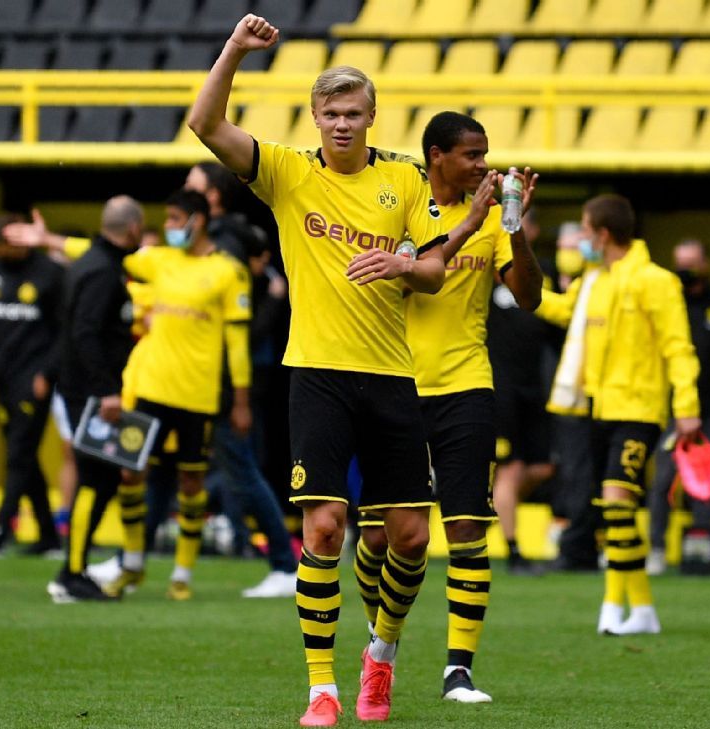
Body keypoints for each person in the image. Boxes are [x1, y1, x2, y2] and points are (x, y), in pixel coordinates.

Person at [188, 15, 487, 725]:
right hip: (316, 374)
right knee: (324, 529)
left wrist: (402, 264)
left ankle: (380, 652)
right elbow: (205, 124)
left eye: (353, 112)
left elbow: (435, 271)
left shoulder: (404, 178)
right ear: (315, 117)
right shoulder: (287, 171)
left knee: (411, 538)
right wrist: (234, 50)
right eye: (331, 113)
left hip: (391, 376)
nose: (342, 123)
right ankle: (321, 688)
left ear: (371, 116)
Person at [354, 112, 541, 705]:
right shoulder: (403, 207)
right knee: (379, 537)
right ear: (437, 155)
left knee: (465, 529)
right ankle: (380, 643)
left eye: (485, 154)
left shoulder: (493, 222)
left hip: (466, 387)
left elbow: (529, 296)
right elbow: (407, 281)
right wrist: (470, 224)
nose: (483, 165)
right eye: (472, 155)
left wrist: (514, 228)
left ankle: (459, 670)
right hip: (396, 384)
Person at [537, 194, 700, 635]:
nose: (581, 240)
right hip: (598, 408)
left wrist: (687, 407)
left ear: (603, 234)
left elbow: (679, 348)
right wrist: (519, 286)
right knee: (613, 511)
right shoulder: (595, 281)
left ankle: (614, 605)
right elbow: (564, 311)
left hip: (639, 411)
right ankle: (640, 610)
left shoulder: (656, 281)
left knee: (615, 502)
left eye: (585, 231)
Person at [100, 189, 252, 601]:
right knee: (129, 472)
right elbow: (103, 253)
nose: (168, 226)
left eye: (173, 218)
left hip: (196, 397)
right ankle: (131, 565)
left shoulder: (228, 272)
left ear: (196, 221)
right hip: (149, 390)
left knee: (191, 482)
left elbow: (237, 344)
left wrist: (241, 401)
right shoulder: (159, 259)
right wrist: (47, 240)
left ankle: (182, 574)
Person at [185, 162, 300, 598]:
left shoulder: (226, 241)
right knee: (170, 464)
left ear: (212, 196)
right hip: (209, 371)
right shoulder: (223, 238)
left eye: (191, 187)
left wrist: (237, 394)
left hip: (223, 375)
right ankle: (130, 559)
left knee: (241, 466)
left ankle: (283, 561)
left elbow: (236, 322)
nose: (183, 195)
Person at [46, 196, 144, 603]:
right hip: (91, 394)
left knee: (101, 479)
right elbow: (86, 333)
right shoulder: (103, 271)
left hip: (83, 389)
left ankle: (74, 570)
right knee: (96, 479)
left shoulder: (92, 262)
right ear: (133, 229)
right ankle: (71, 574)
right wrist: (106, 390)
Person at [0, 213, 66, 558]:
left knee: (18, 454)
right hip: (2, 378)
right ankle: (48, 535)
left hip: (34, 379)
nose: (2, 252)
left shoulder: (50, 273)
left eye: (6, 244)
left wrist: (47, 373)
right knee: (24, 455)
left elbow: (64, 332)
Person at [646, 239, 710, 574]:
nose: (685, 270)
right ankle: (656, 549)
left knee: (705, 482)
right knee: (663, 480)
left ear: (706, 264)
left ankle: (702, 553)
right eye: (680, 263)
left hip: (709, 409)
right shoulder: (670, 303)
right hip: (671, 410)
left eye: (692, 263)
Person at [488, 208, 558, 575]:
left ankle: (494, 503)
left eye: (522, 222)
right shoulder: (490, 269)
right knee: (511, 468)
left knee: (543, 467)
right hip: (501, 386)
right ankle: (514, 551)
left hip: (533, 384)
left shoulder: (541, 273)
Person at [543, 223, 600, 572]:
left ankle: (579, 547)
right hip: (579, 393)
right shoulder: (585, 281)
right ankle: (582, 544)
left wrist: (527, 292)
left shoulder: (595, 280)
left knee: (582, 470)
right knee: (578, 470)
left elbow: (565, 311)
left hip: (589, 392)